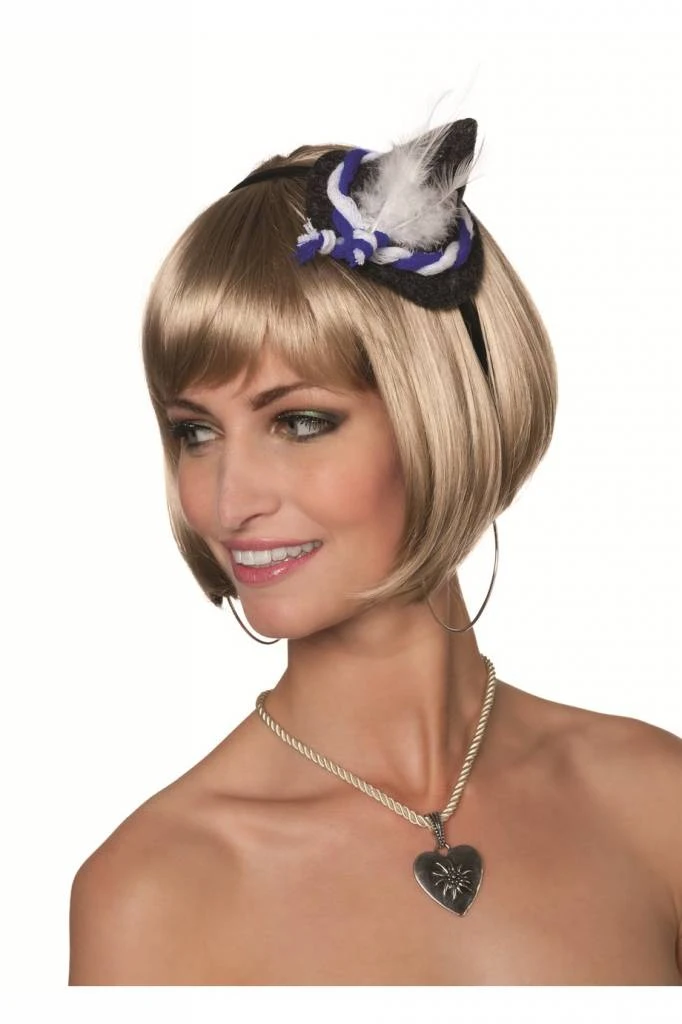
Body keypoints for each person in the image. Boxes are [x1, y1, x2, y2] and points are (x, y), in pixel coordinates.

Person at [68, 118, 682, 985]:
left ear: (443, 411)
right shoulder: (154, 892)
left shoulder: (656, 802)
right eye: (195, 432)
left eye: (299, 422)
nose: (229, 502)